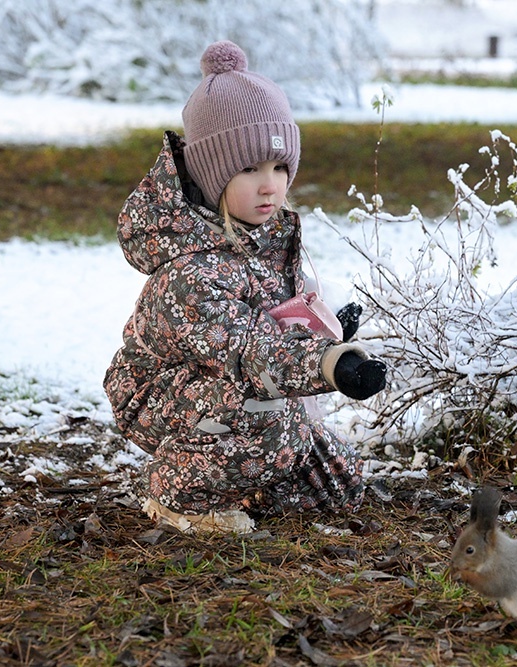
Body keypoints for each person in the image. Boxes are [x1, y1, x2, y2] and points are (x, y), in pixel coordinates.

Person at [104, 40, 386, 534]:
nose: (270, 185)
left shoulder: (267, 242)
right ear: (212, 175)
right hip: (162, 394)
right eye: (249, 169)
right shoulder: (190, 273)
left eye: (280, 168)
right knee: (267, 417)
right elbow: (249, 349)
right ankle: (175, 490)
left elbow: (277, 322)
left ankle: (243, 473)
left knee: (338, 486)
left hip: (234, 381)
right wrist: (326, 364)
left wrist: (327, 333)